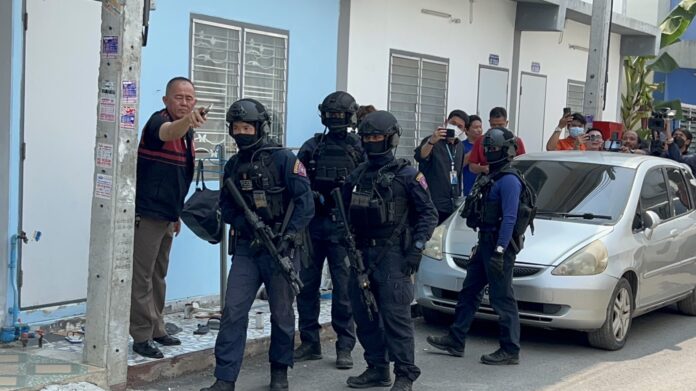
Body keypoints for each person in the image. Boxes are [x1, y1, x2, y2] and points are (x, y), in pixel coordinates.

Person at [201, 98, 314, 391]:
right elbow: (225, 206)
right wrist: (243, 223)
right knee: (233, 311)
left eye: (247, 127)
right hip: (248, 249)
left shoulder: (284, 159)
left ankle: (279, 372)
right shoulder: (234, 165)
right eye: (236, 127)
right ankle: (224, 378)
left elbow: (305, 203)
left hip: (282, 249)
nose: (242, 133)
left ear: (260, 127)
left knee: (282, 313)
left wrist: (288, 236)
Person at [343, 111, 438, 391]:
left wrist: (417, 249)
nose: (371, 142)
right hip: (361, 254)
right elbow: (345, 213)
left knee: (396, 319)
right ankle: (377, 368)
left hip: (393, 256)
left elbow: (428, 214)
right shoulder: (357, 175)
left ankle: (405, 375)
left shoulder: (408, 175)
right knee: (364, 315)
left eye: (377, 137)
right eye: (367, 137)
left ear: (391, 139)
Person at [426, 127, 523, 366]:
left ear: (507, 150)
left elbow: (509, 218)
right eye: (487, 149)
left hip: (500, 245)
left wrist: (500, 250)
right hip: (485, 243)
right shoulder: (491, 176)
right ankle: (455, 339)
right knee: (469, 291)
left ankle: (510, 349)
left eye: (495, 149)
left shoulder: (509, 180)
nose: (490, 153)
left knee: (502, 298)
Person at [131, 77, 206, 359]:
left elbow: (177, 177)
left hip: (167, 215)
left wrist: (177, 215)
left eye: (190, 98)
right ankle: (140, 335)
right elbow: (168, 132)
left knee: (159, 276)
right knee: (142, 278)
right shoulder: (158, 123)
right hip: (147, 214)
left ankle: (157, 328)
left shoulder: (188, 134)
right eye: (179, 97)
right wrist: (187, 122)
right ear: (166, 100)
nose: (185, 103)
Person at [294, 91, 362, 369]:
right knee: (306, 286)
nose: (335, 120)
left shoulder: (359, 147)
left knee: (344, 290)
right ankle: (310, 342)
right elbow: (296, 182)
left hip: (343, 227)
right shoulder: (312, 146)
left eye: (340, 115)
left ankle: (345, 345)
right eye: (331, 115)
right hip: (313, 226)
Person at [414, 110, 467, 224]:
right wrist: (431, 142)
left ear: (463, 130)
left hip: (451, 204)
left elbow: (458, 173)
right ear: (446, 122)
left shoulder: (460, 147)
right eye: (453, 123)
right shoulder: (432, 140)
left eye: (460, 126)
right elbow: (420, 156)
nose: (455, 127)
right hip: (431, 203)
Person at [469, 107, 526, 175]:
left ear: (506, 123)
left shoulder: (516, 141)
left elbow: (523, 165)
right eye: (493, 125)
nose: (497, 128)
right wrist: (484, 168)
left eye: (500, 125)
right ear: (489, 122)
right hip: (487, 180)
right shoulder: (481, 140)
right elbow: (472, 166)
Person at [462, 115, 483, 195]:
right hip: (467, 187)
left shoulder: (486, 145)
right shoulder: (461, 146)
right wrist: (477, 146)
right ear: (466, 130)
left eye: (480, 127)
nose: (479, 130)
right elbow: (460, 164)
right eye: (475, 127)